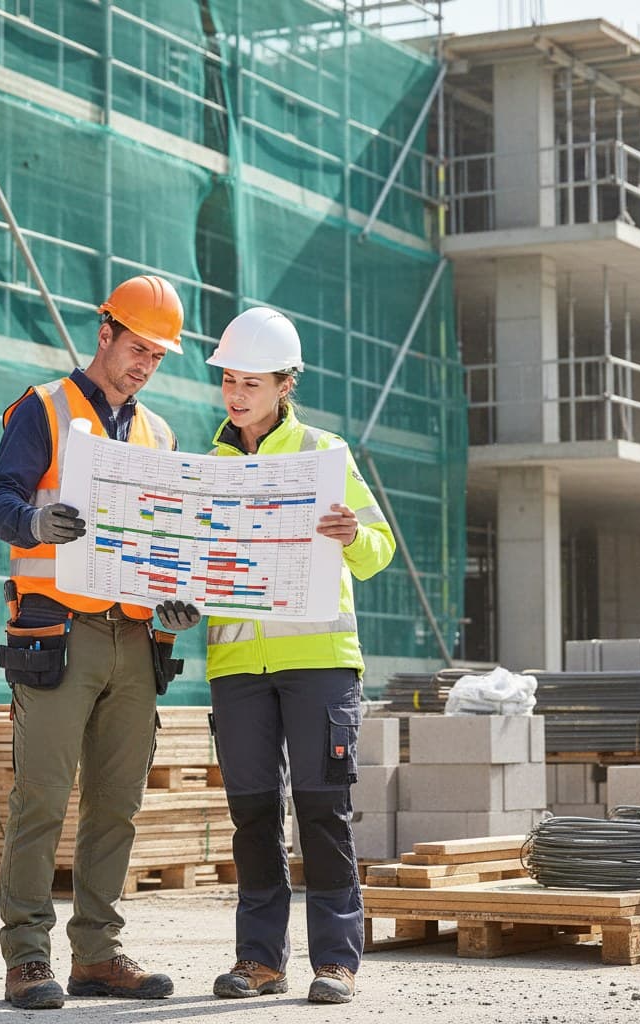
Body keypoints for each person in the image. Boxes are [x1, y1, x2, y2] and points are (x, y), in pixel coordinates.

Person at [0, 274, 201, 1010]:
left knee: (118, 804)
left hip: (136, 641)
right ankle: (26, 957)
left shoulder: (160, 435)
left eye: (158, 356)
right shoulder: (42, 408)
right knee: (41, 798)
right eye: (137, 348)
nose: (145, 364)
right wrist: (35, 524)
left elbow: (164, 543)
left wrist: (174, 599)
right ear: (104, 332)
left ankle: (99, 954)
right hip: (59, 634)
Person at [202, 307, 395, 1005]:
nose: (236, 393)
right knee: (253, 816)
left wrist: (351, 534)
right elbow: (197, 569)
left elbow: (379, 552)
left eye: (250, 381)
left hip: (319, 663)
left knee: (322, 812)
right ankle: (259, 961)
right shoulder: (208, 467)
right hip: (235, 670)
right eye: (229, 379)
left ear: (285, 384)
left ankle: (336, 961)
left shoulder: (323, 454)